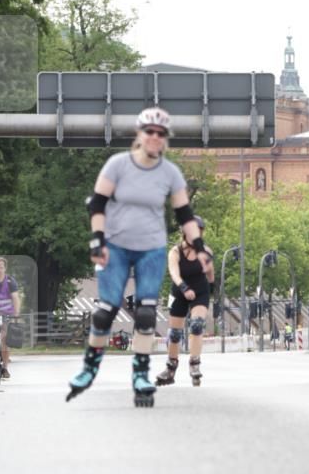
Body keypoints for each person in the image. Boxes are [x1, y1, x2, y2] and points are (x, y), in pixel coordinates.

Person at [66, 106, 210, 407]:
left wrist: (199, 249)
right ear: (139, 135)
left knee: (146, 313)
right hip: (116, 246)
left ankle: (141, 374)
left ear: (165, 139)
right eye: (150, 132)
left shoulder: (170, 173)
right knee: (105, 310)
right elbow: (97, 204)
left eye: (161, 134)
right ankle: (90, 368)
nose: (155, 138)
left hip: (151, 248)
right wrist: (97, 241)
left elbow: (185, 214)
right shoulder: (118, 165)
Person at [156, 216, 215, 388]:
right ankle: (170, 368)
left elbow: (210, 272)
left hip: (200, 291)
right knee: (175, 333)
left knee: (197, 324)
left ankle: (194, 364)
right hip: (180, 291)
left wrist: (212, 288)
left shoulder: (206, 251)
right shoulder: (175, 252)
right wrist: (184, 288)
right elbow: (174, 274)